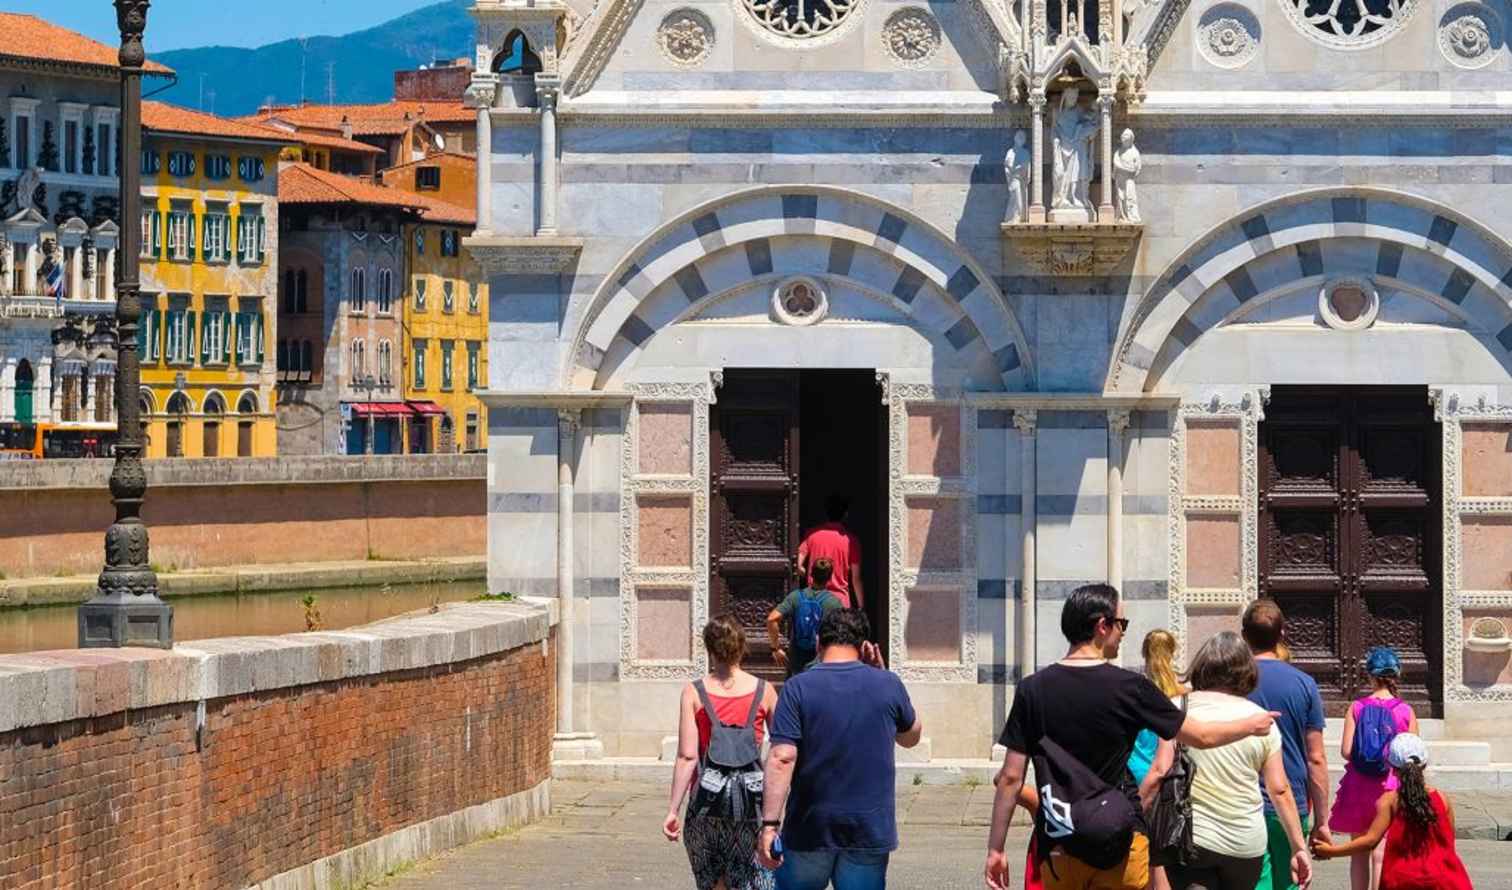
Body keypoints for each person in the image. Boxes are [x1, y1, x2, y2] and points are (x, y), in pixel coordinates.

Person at [985, 584, 1282, 890]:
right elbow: (1201, 736)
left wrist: (996, 848)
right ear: (1102, 626)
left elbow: (1010, 777)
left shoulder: (1031, 689)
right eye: (1121, 624)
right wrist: (1251, 725)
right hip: (1119, 839)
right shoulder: (1130, 687)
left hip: (1060, 843)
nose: (1123, 633)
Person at [757, 609, 922, 889]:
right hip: (868, 829)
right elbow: (911, 737)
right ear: (863, 645)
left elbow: (782, 758)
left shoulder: (797, 688)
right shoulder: (888, 684)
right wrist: (882, 676)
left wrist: (769, 824)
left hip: (810, 827)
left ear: (819, 641)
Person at [1163, 633, 1312, 890]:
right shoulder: (1261, 720)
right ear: (1246, 672)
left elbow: (1161, 770)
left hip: (1192, 837)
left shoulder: (1178, 708)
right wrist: (1298, 847)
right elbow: (1279, 789)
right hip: (1245, 842)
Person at [664, 615, 780, 890]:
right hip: (750, 805)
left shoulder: (693, 692)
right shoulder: (765, 691)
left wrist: (673, 809)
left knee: (714, 883)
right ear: (742, 647)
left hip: (706, 804)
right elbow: (779, 753)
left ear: (709, 650)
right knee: (752, 878)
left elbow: (687, 756)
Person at [1242, 600, 1330, 890]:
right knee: (1291, 879)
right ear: (1282, 633)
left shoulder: (1233, 682)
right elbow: (1315, 757)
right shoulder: (1304, 684)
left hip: (1241, 799)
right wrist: (1322, 820)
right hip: (1291, 801)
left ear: (1244, 635)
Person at [1312, 734, 1473, 890]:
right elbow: (1448, 841)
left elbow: (1370, 841)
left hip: (1402, 879)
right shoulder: (1442, 799)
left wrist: (1330, 851)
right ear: (1424, 765)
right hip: (1446, 879)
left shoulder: (1389, 801)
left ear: (1392, 768)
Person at [1328, 646, 1417, 890]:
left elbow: (1346, 751)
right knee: (1380, 850)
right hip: (1389, 786)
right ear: (1396, 675)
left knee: (1358, 851)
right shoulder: (1405, 711)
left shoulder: (1356, 707)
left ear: (1369, 675)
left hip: (1358, 785)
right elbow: (1413, 756)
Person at [766, 557, 844, 677]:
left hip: (797, 662)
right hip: (821, 664)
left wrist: (775, 648)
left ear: (811, 574)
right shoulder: (834, 603)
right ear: (829, 578)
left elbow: (772, 619)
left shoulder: (796, 597)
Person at [796, 494, 864, 610]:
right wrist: (861, 606)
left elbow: (798, 562)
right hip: (839, 602)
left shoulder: (812, 535)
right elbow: (855, 578)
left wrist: (802, 570)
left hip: (814, 601)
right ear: (845, 514)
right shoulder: (850, 540)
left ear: (826, 513)